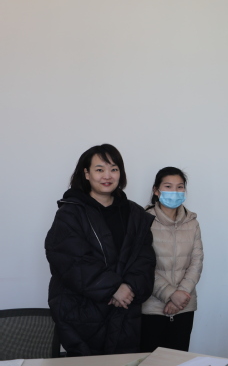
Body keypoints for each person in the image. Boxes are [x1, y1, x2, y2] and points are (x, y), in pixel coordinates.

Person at [45, 144, 156, 356]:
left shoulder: (135, 214)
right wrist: (113, 288)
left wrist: (129, 288)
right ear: (86, 174)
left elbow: (145, 258)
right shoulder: (70, 213)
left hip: (125, 311)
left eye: (114, 169)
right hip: (82, 312)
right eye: (99, 169)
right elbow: (71, 260)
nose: (107, 176)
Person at [141, 167, 204, 352]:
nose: (174, 192)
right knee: (149, 361)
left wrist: (181, 295)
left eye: (180, 187)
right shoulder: (143, 221)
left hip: (185, 306)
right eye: (168, 186)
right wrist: (171, 294)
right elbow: (142, 266)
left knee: (178, 359)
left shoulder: (193, 223)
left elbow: (197, 262)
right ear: (156, 190)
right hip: (151, 306)